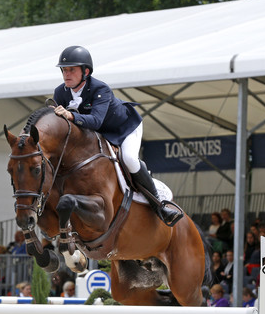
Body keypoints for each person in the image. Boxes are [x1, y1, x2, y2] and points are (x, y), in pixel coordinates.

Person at [52, 45, 181, 225]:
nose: (66, 74)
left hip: (125, 127)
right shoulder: (60, 92)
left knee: (129, 158)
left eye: (71, 70)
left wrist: (71, 115)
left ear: (86, 71)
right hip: (97, 133)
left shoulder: (100, 89)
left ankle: (159, 205)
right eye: (64, 70)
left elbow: (95, 120)